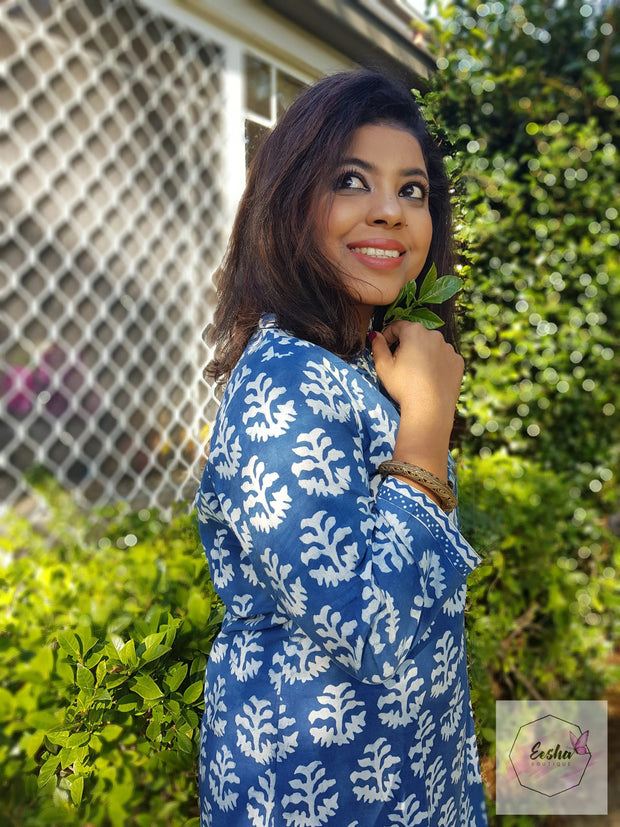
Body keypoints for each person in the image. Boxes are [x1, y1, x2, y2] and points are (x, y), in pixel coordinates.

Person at [195, 69, 488, 826]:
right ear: (290, 202)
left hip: (416, 776)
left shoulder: (359, 364)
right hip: (316, 792)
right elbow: (373, 634)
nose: (390, 212)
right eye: (351, 180)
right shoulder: (281, 387)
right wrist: (426, 420)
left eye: (413, 190)